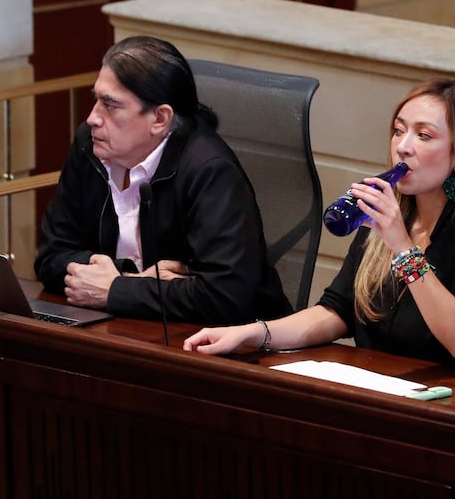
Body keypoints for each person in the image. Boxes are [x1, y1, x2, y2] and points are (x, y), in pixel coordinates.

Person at [184, 79, 455, 372]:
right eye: (398, 130)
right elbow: (336, 310)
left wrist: (402, 247)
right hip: (380, 386)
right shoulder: (387, 210)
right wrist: (253, 333)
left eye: (423, 135)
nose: (402, 147)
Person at [35, 35, 290, 326]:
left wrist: (117, 290)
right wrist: (125, 277)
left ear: (160, 119)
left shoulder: (210, 170)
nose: (93, 117)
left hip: (229, 346)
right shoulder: (89, 146)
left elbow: (226, 298)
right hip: (129, 326)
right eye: (96, 99)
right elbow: (51, 256)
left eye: (110, 105)